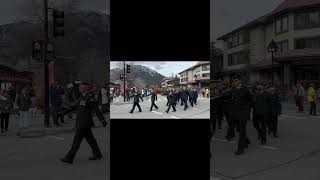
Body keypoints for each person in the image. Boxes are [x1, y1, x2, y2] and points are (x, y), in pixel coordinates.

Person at [59, 82, 108, 164]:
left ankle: (69, 157)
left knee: (77, 140)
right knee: (90, 139)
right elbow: (74, 106)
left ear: (86, 88)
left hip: (84, 122)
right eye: (79, 87)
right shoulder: (82, 96)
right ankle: (97, 154)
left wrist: (102, 120)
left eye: (81, 87)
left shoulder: (90, 96)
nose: (79, 88)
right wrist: (63, 113)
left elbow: (96, 109)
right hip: (81, 122)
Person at [231, 75, 252, 155]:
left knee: (242, 130)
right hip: (236, 113)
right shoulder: (234, 90)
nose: (235, 82)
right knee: (239, 129)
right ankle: (245, 142)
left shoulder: (245, 89)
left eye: (236, 80)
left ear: (240, 81)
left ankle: (240, 149)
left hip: (243, 113)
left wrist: (247, 112)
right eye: (234, 81)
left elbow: (250, 100)